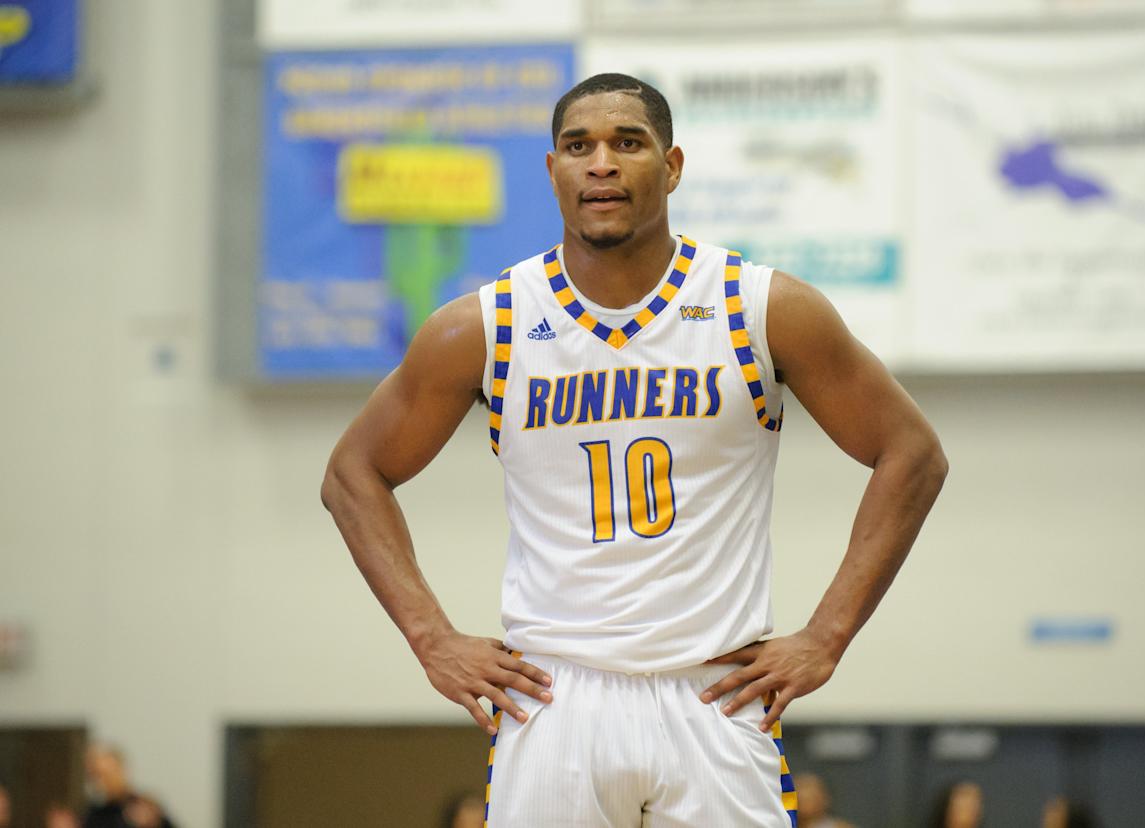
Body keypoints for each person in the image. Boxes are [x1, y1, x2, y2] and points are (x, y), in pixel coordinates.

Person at [322, 72, 948, 826]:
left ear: (673, 166)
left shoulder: (759, 308)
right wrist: (432, 638)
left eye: (628, 143)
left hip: (714, 687)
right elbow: (353, 473)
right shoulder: (486, 326)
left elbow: (912, 453)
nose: (602, 164)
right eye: (577, 146)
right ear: (552, 171)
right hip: (553, 695)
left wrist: (827, 636)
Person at [81, 744, 175, 828]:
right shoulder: (93, 814)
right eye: (94, 775)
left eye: (105, 774)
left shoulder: (145, 807)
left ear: (120, 770)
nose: (100, 782)